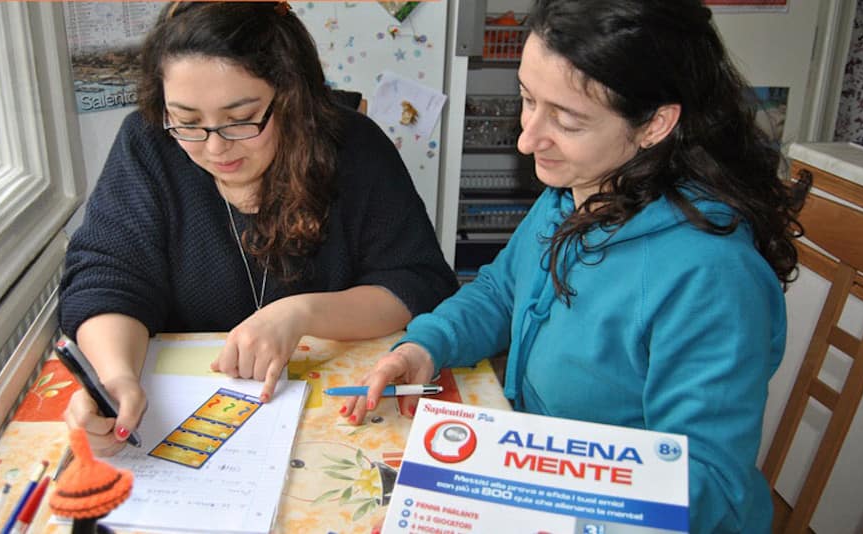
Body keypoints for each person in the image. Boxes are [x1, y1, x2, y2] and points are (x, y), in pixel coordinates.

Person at [344, 0, 809, 532]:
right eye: (525, 99)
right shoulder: (583, 188)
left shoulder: (712, 279)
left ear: (655, 123)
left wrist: (543, 506)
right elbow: (502, 290)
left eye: (565, 120)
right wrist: (427, 345)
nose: (526, 139)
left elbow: (705, 485)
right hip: (545, 482)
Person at [60, 1, 458, 456]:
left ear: (289, 97)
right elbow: (107, 277)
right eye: (188, 122)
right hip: (192, 427)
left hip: (338, 421)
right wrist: (115, 380)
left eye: (240, 118)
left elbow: (418, 281)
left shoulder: (356, 149)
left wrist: (301, 314)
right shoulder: (148, 145)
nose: (214, 147)